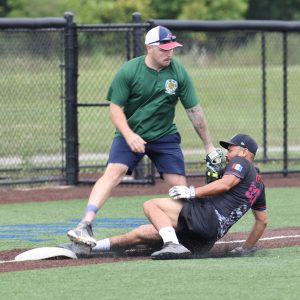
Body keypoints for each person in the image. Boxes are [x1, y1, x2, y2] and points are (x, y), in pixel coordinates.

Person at [67, 25, 221, 247]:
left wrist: (209, 146)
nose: (169, 52)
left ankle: (185, 233)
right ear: (149, 48)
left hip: (164, 135)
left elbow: (194, 111)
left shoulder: (178, 72)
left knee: (179, 187)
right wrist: (129, 135)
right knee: (114, 171)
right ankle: (85, 224)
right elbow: (115, 108)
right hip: (130, 132)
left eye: (172, 48)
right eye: (164, 48)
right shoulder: (130, 71)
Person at [64, 133, 268, 260]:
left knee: (152, 205)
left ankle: (173, 245)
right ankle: (89, 248)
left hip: (205, 217)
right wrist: (246, 249)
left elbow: (226, 184)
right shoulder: (259, 185)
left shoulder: (242, 163)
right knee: (142, 233)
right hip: (206, 240)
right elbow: (262, 221)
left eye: (230, 149)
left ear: (244, 151)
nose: (227, 154)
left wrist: (191, 191)